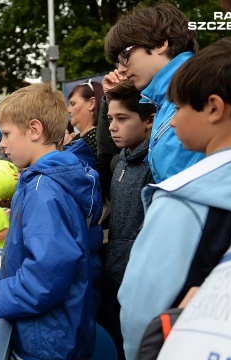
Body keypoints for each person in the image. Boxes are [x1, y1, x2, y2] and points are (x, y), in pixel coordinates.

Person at [118, 37, 231, 360]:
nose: (171, 120)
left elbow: (141, 313)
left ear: (214, 108)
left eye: (179, 107)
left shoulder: (182, 199)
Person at [0, 82, 102, 359]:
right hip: (50, 335)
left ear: (34, 130)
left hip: (49, 342)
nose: (2, 144)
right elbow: (22, 265)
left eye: (6, 134)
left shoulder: (43, 189)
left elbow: (44, 279)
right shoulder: (38, 183)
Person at [103, 3, 204, 184]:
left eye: (124, 56)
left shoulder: (201, 89)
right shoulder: (169, 100)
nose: (120, 69)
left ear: (159, 44)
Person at [101, 79, 155, 357]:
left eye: (122, 118)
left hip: (140, 289)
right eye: (110, 118)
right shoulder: (119, 162)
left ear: (149, 121)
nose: (112, 126)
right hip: (113, 282)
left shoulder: (155, 168)